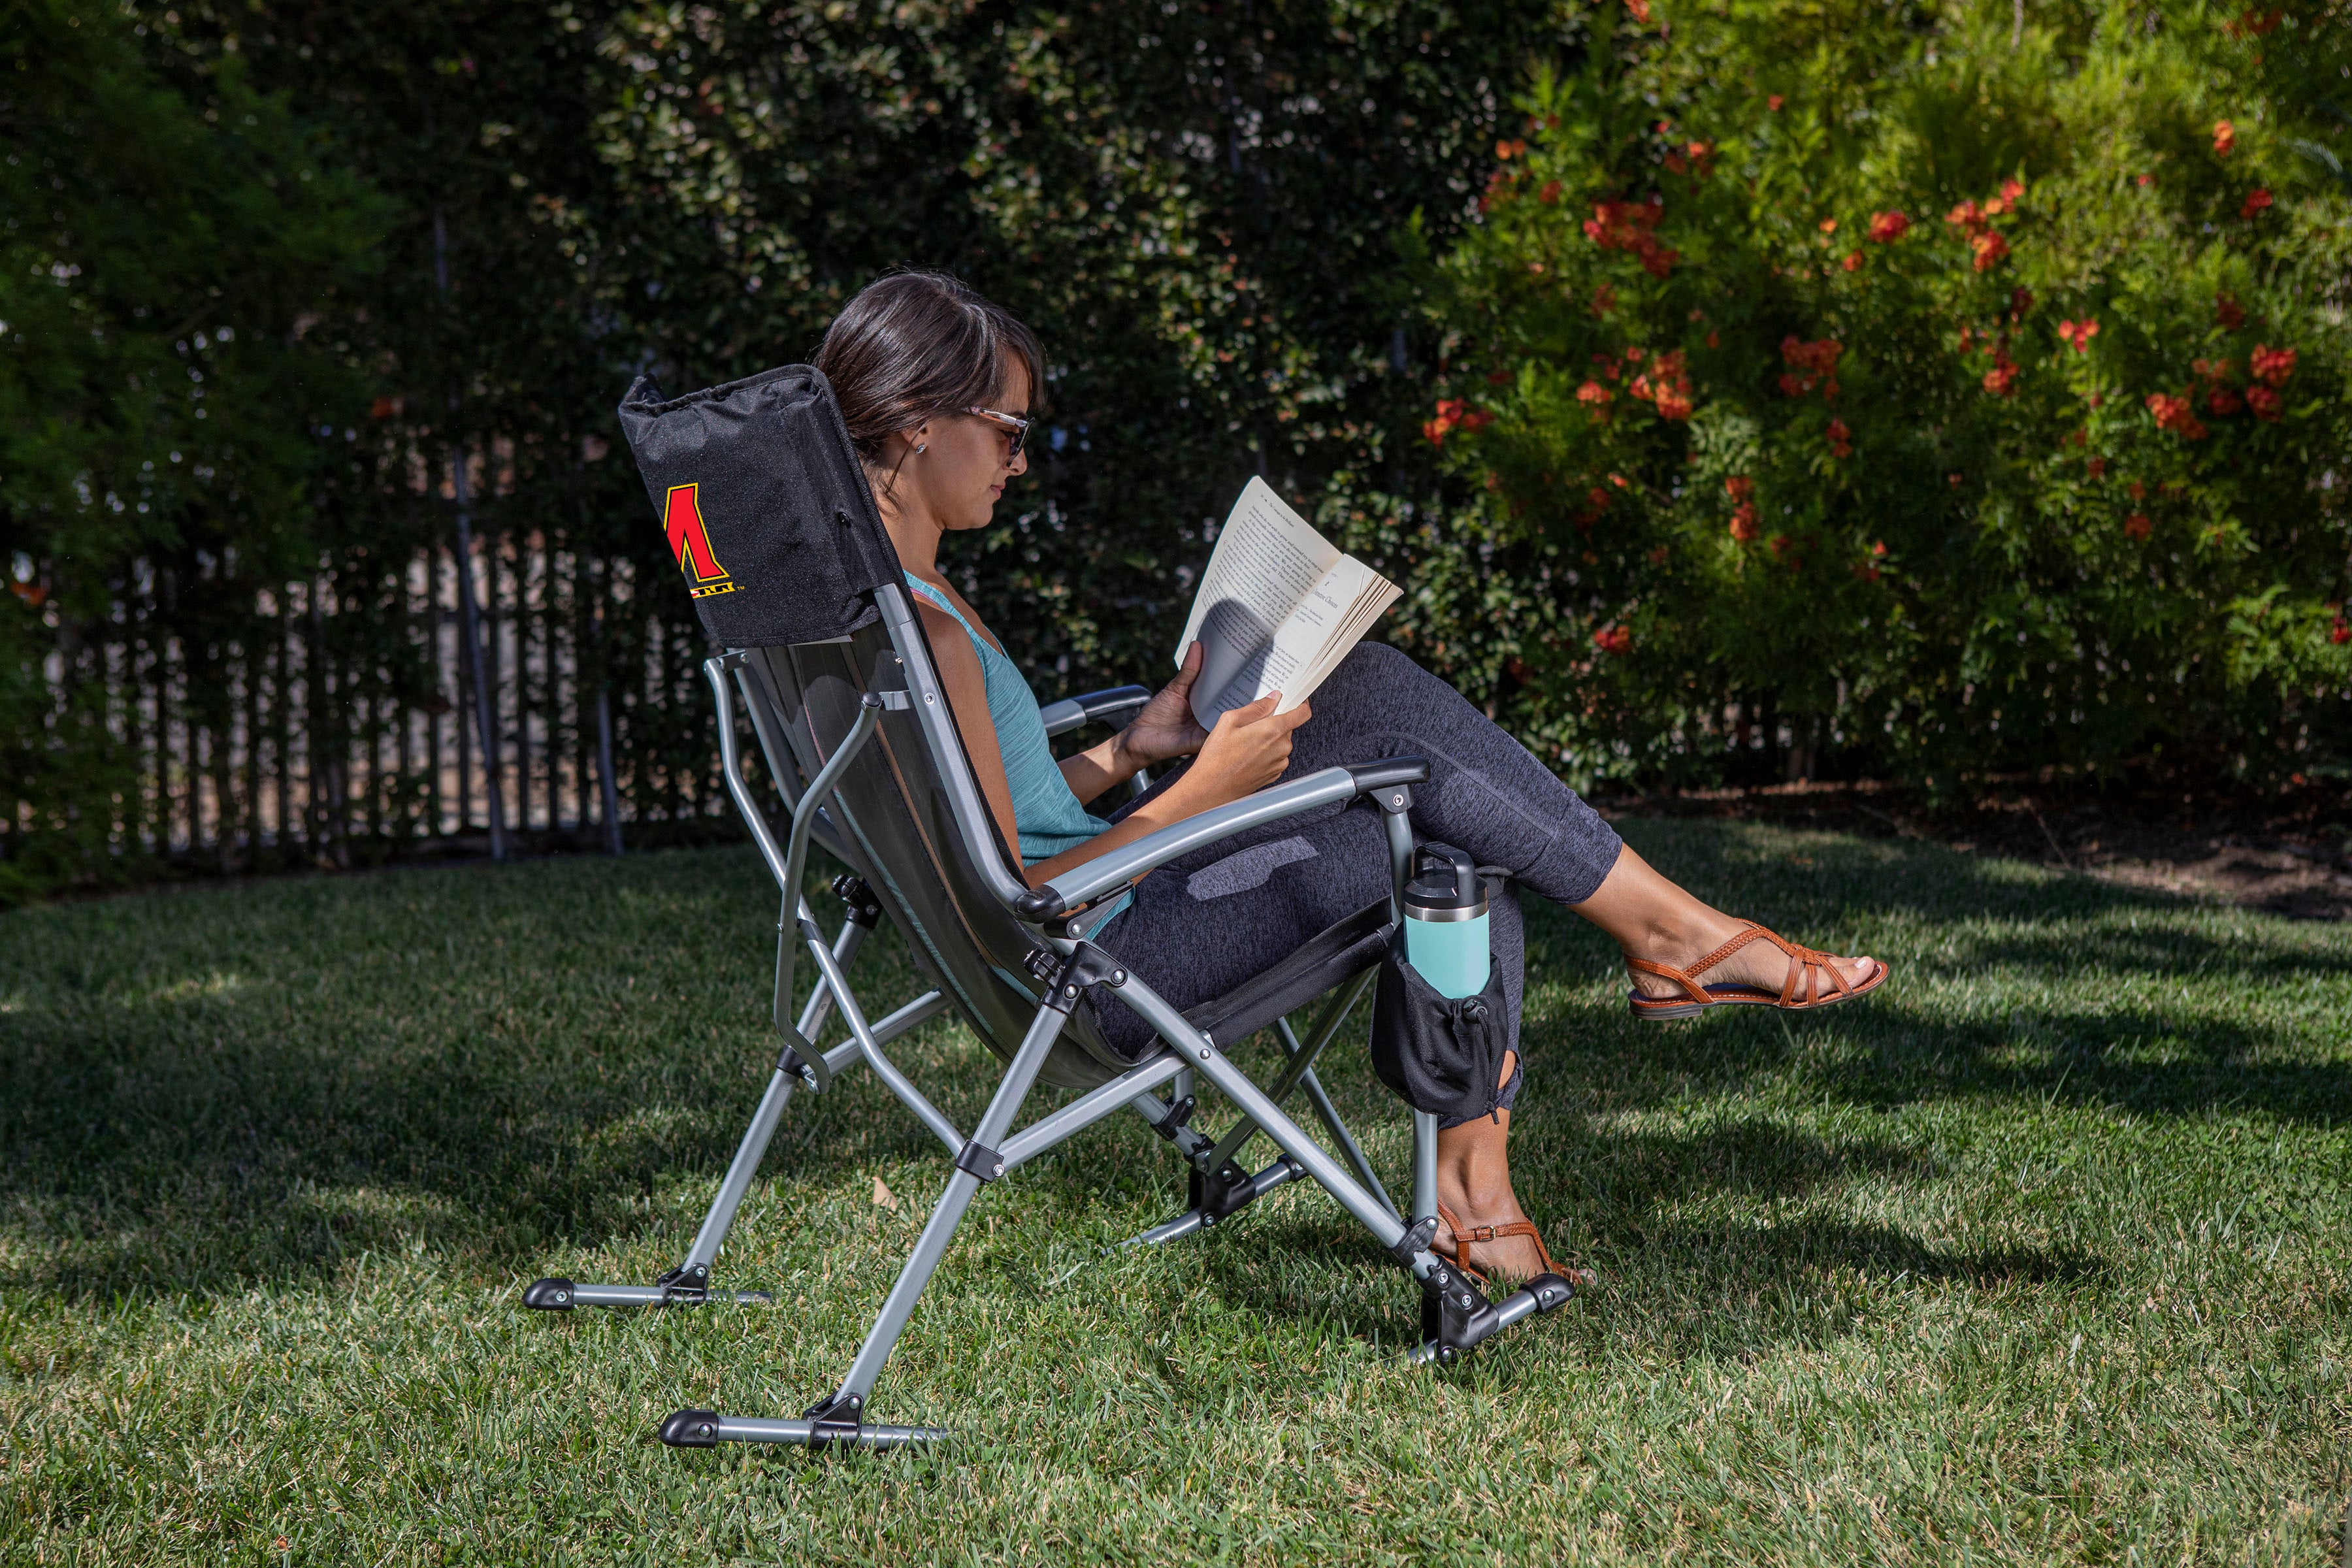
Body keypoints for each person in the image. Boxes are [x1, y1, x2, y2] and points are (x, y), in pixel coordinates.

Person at [815, 271, 1887, 1286]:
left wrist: (1140, 751)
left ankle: (1566, 1084)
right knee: (1435, 811)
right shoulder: (927, 636)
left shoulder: (877, 615)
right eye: (1007, 429)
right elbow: (1016, 897)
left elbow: (991, 819)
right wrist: (1207, 790)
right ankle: (1617, 1016)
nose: (1021, 459)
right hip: (1106, 970)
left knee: (1408, 756)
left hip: (1082, 943)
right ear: (918, 421)